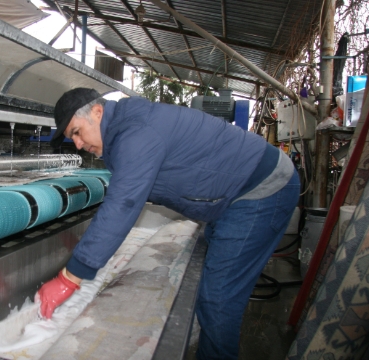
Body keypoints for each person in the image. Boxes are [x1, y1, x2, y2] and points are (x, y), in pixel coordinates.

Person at [35, 88, 300, 359]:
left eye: (77, 132)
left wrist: (69, 277)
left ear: (97, 112)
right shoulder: (124, 129)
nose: (77, 144)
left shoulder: (135, 132)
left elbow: (123, 204)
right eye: (72, 138)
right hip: (235, 193)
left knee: (218, 300)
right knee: (214, 283)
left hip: (260, 189)